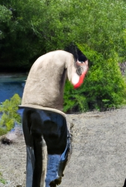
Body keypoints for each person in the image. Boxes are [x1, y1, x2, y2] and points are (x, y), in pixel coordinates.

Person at [20, 47, 89, 187]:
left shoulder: (41, 58)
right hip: (48, 111)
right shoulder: (68, 57)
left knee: (33, 156)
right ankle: (51, 182)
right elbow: (76, 82)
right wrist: (83, 69)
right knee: (60, 149)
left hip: (26, 110)